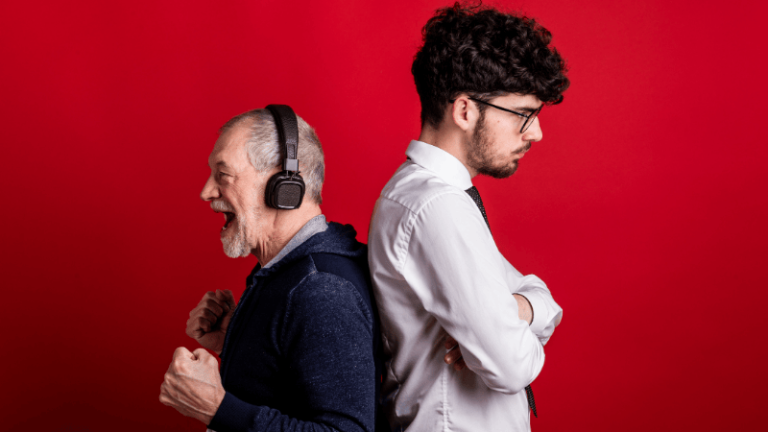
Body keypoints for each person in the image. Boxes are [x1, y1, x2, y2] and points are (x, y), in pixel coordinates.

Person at [367, 3, 569, 431]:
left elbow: (544, 301)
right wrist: (507, 331)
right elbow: (511, 366)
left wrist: (516, 310)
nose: (536, 133)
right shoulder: (436, 206)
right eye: (524, 114)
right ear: (464, 111)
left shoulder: (437, 197)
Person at [159, 106, 385, 432]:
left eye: (223, 175)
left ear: (283, 184)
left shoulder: (322, 289)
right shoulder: (285, 273)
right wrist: (239, 346)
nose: (206, 191)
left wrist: (216, 408)